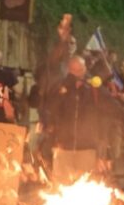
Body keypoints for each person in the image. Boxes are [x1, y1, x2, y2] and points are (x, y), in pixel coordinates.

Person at [43, 56, 110, 185]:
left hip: (87, 148)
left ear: (85, 69)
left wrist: (104, 148)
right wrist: (65, 90)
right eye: (75, 71)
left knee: (85, 188)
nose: (79, 74)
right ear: (69, 70)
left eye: (81, 70)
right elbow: (50, 109)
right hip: (62, 147)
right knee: (61, 187)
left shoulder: (93, 89)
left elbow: (102, 116)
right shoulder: (59, 86)